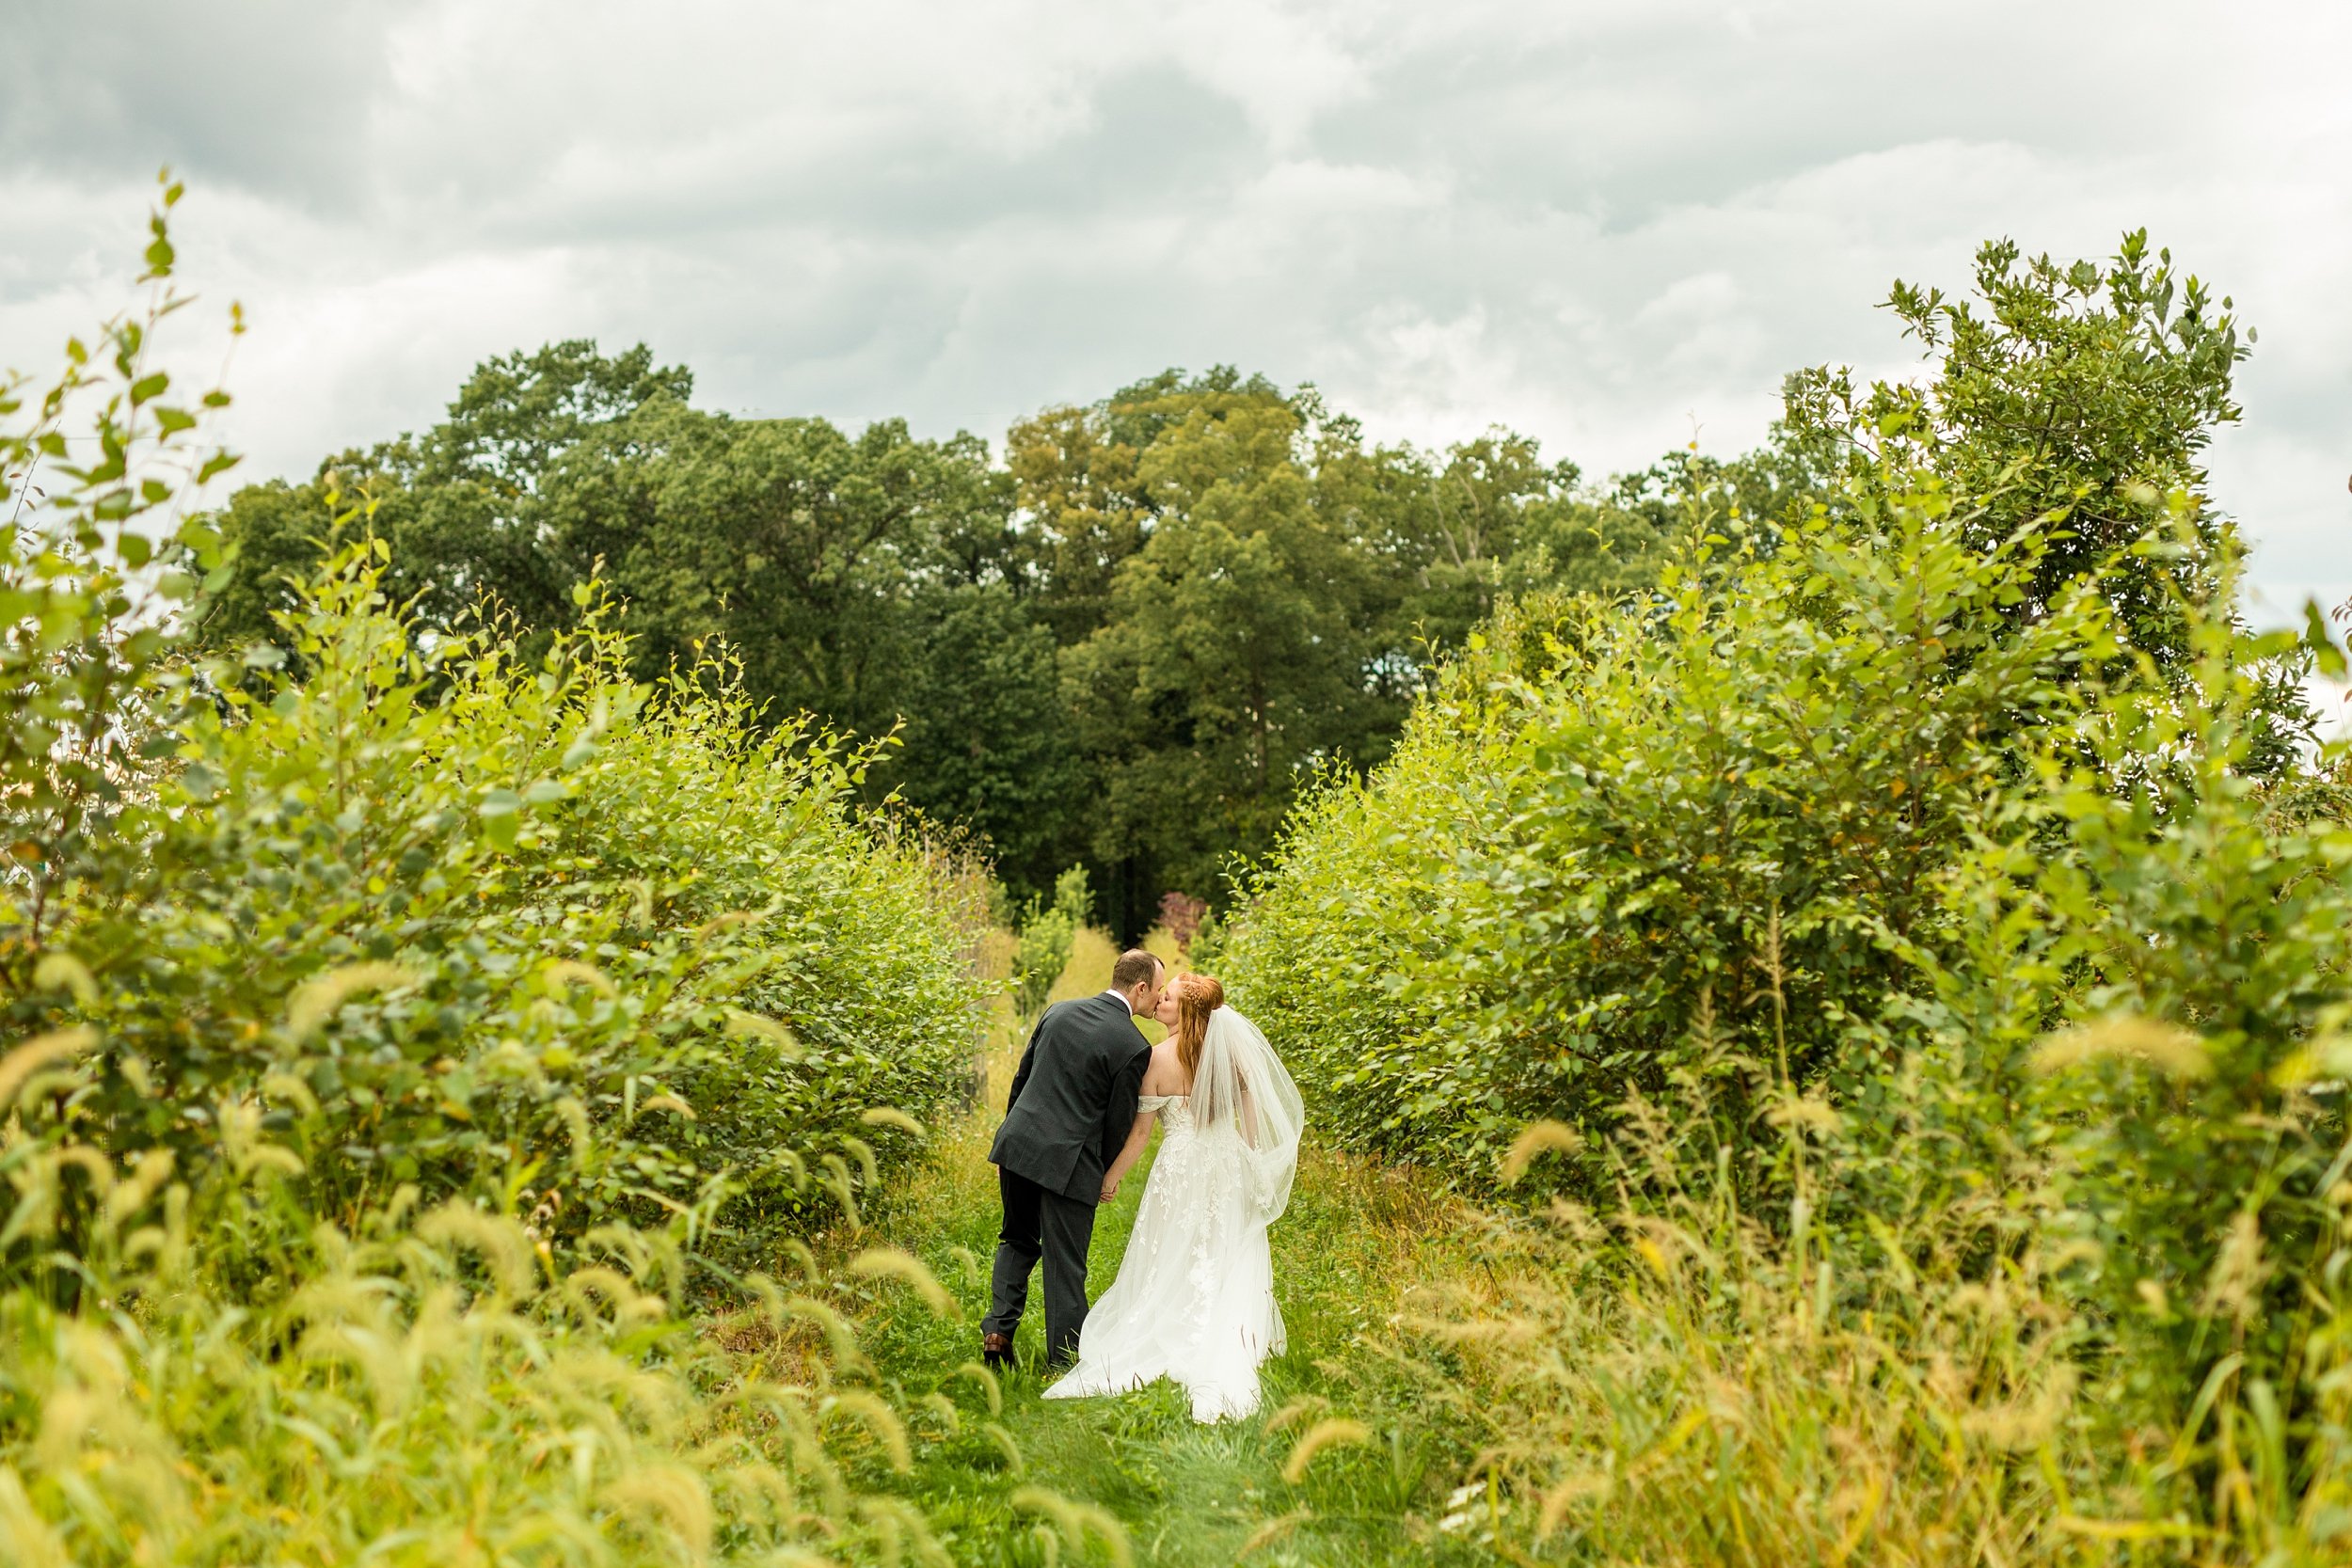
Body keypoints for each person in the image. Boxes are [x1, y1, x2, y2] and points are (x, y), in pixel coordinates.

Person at [1042, 972, 1304, 1421]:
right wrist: (1256, 1161)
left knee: (1172, 1249)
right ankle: (1228, 1333)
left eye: (1169, 999)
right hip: (1227, 1162)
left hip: (1181, 1167)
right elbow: (1251, 1117)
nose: (1160, 1002)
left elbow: (1141, 1133)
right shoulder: (1228, 1056)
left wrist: (1112, 1176)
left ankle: (1175, 1325)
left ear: (1185, 1012)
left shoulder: (1156, 1060)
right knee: (1225, 1245)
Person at [980, 948, 1165, 1370]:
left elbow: (1022, 1080)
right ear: (1140, 988)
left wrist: (1018, 1134)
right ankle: (1063, 1362)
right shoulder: (1134, 1046)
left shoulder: (1057, 1012)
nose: (1158, 1000)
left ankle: (997, 1332)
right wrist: (1102, 1174)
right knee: (1065, 1263)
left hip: (1018, 1145)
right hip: (1069, 1163)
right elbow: (1117, 1125)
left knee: (1016, 1239)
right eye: (1157, 991)